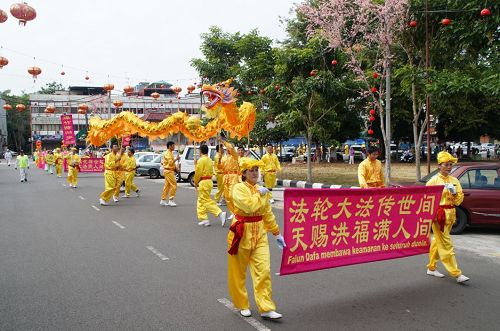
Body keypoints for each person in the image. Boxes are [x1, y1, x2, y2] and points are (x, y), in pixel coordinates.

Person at [227, 157, 285, 320]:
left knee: (264, 270)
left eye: (256, 170)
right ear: (244, 173)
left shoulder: (261, 190)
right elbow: (249, 206)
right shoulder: (238, 188)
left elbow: (267, 213)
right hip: (241, 233)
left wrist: (276, 232)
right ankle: (242, 304)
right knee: (238, 272)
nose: (254, 173)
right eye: (251, 170)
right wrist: (260, 194)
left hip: (259, 233)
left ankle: (266, 307)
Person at [426, 151, 469, 283]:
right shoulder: (433, 181)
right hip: (439, 216)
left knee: (437, 241)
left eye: (450, 165)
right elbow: (426, 199)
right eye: (446, 164)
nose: (449, 167)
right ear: (439, 166)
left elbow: (459, 200)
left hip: (451, 214)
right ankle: (456, 273)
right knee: (446, 244)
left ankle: (431, 267)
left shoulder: (454, 180)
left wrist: (455, 193)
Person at [194, 144, 226, 227]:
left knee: (205, 200)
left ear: (200, 151)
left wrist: (195, 181)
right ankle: (204, 218)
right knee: (201, 200)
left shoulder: (201, 160)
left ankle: (219, 213)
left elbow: (198, 172)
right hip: (208, 181)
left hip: (204, 181)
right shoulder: (208, 159)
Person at [219, 137, 242, 219]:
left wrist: (222, 141)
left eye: (229, 147)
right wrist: (220, 156)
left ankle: (237, 211)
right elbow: (220, 167)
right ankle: (233, 212)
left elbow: (231, 148)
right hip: (226, 177)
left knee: (232, 195)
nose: (228, 149)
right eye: (227, 148)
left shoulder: (235, 156)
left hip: (233, 177)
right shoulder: (224, 157)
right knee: (227, 196)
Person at [160, 141, 180, 206]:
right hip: (168, 171)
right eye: (173, 146)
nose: (174, 147)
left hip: (169, 170)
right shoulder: (168, 153)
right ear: (169, 146)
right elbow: (171, 162)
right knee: (174, 185)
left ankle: (163, 199)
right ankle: (171, 200)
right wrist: (176, 159)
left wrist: (176, 168)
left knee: (167, 186)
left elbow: (170, 163)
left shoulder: (170, 153)